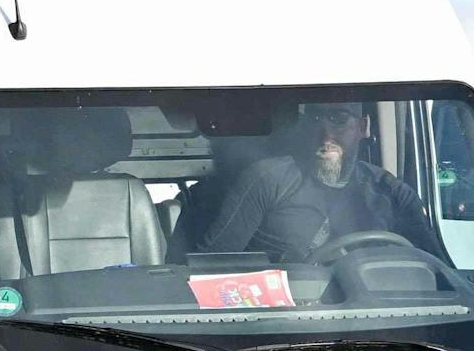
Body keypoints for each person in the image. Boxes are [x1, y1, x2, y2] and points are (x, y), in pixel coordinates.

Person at [179, 101, 442, 261]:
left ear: (363, 127)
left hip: (370, 326)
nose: (325, 132)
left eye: (339, 119)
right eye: (316, 118)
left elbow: (439, 273)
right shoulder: (268, 180)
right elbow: (211, 265)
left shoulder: (393, 194)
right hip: (280, 328)